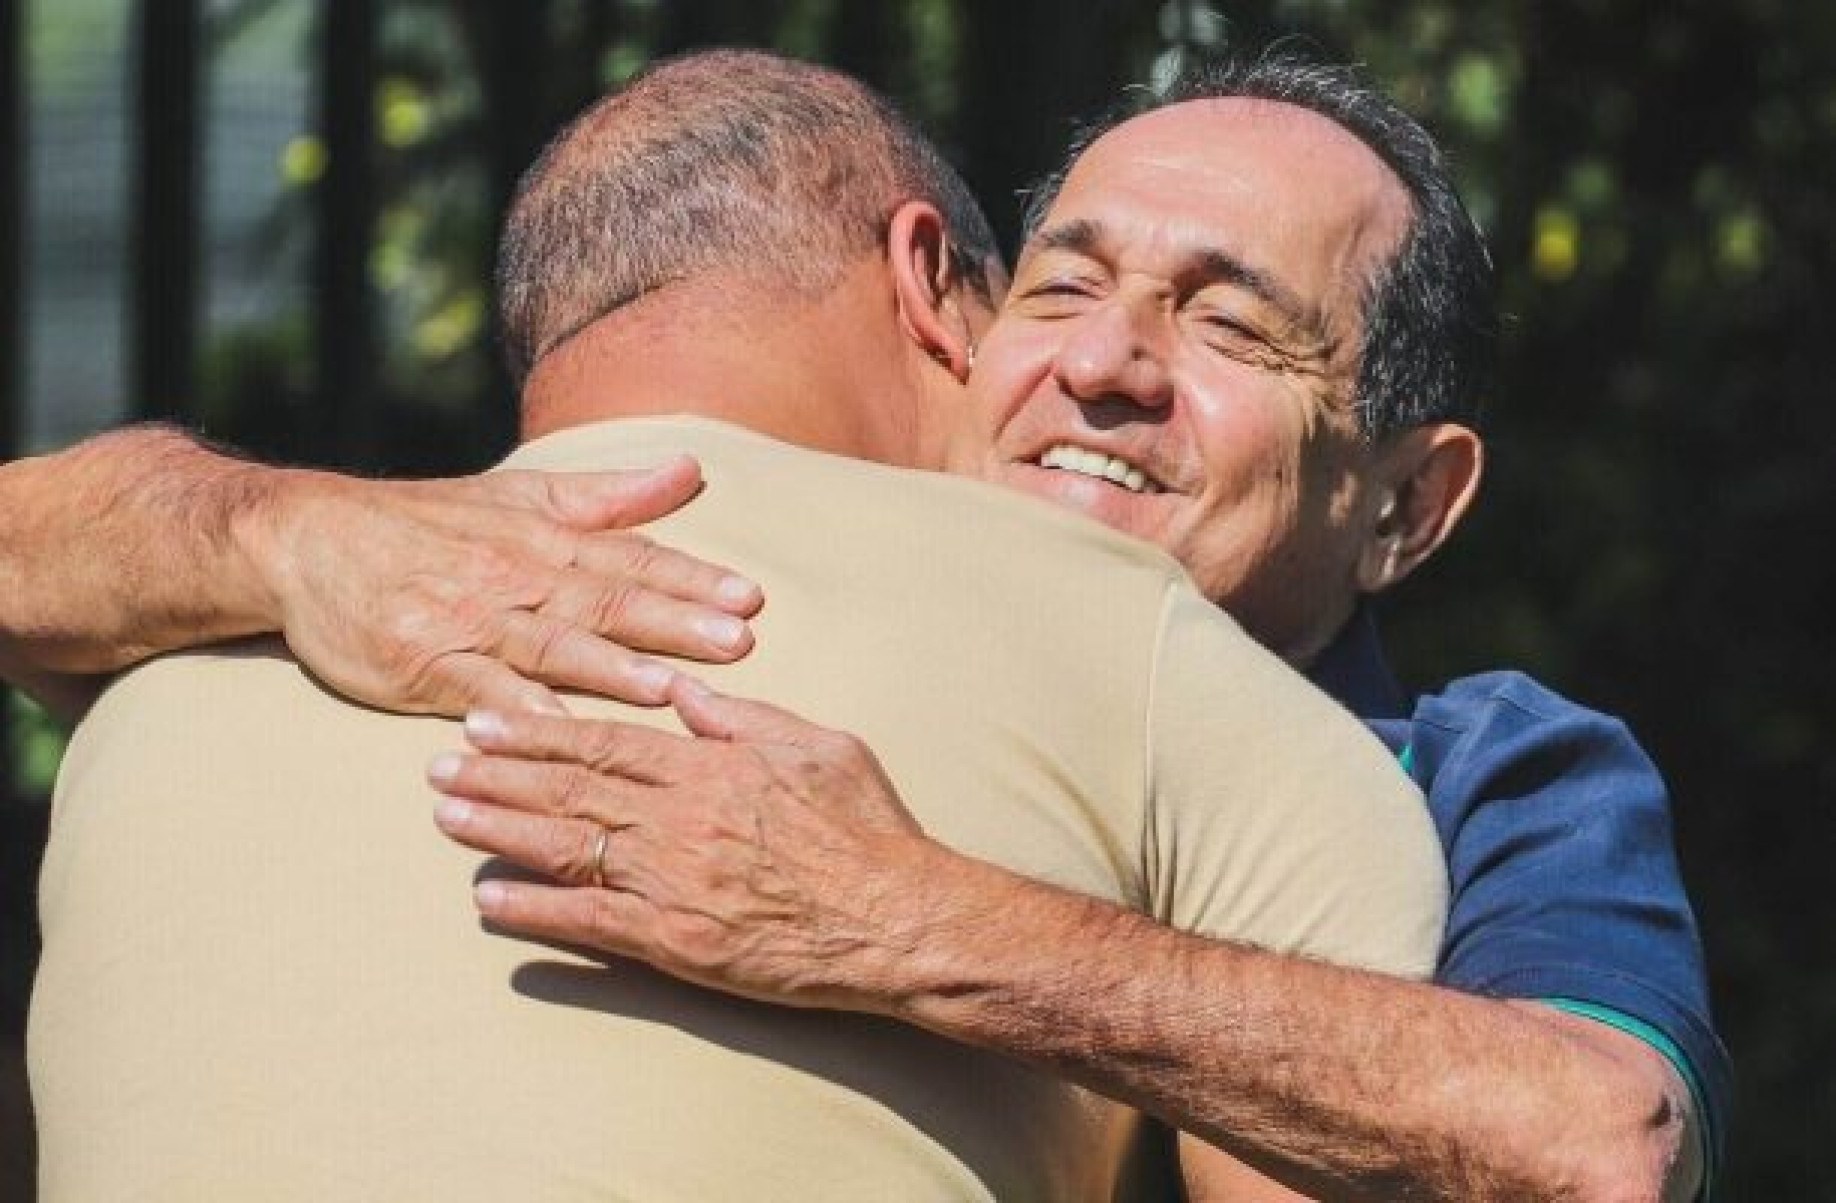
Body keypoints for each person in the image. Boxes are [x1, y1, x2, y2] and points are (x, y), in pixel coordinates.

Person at [4, 47, 1725, 1202]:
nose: (1106, 366)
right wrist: (280, 527)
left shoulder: (1479, 768)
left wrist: (906, 922)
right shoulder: (467, 583)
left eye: (1235, 329)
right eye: (1058, 287)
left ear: (1409, 506)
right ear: (946, 312)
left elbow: (1594, 1138)